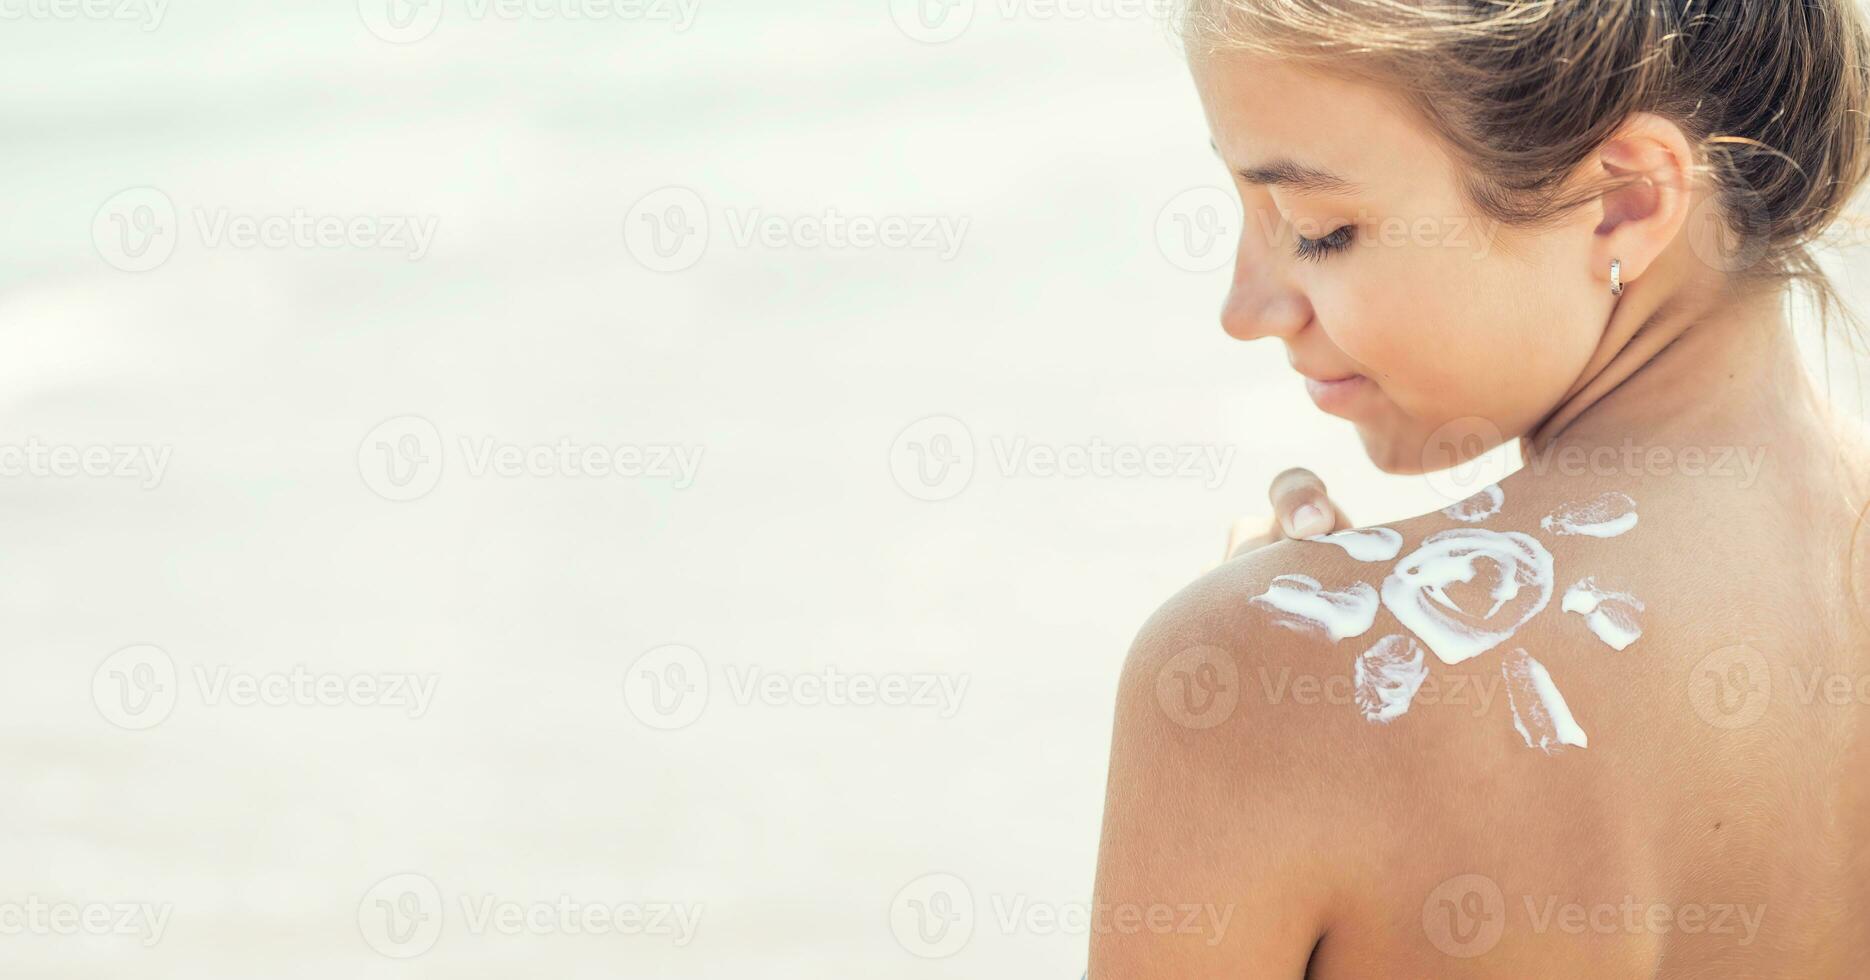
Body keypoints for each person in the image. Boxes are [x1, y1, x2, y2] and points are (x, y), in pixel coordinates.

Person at [1090, 1, 1870, 976]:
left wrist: (1267, 654)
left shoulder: (1263, 680)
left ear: (1623, 201)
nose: (1245, 309)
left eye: (1316, 228)